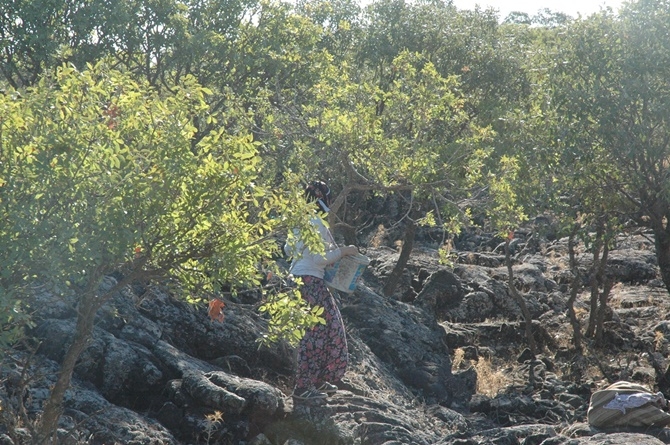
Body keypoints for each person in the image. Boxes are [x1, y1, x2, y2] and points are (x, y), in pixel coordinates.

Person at [285, 180, 358, 401]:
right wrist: (344, 251)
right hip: (311, 281)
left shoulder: (298, 222)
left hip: (295, 279)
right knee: (319, 333)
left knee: (322, 329)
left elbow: (288, 250)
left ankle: (316, 381)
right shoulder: (317, 222)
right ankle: (303, 387)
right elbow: (319, 258)